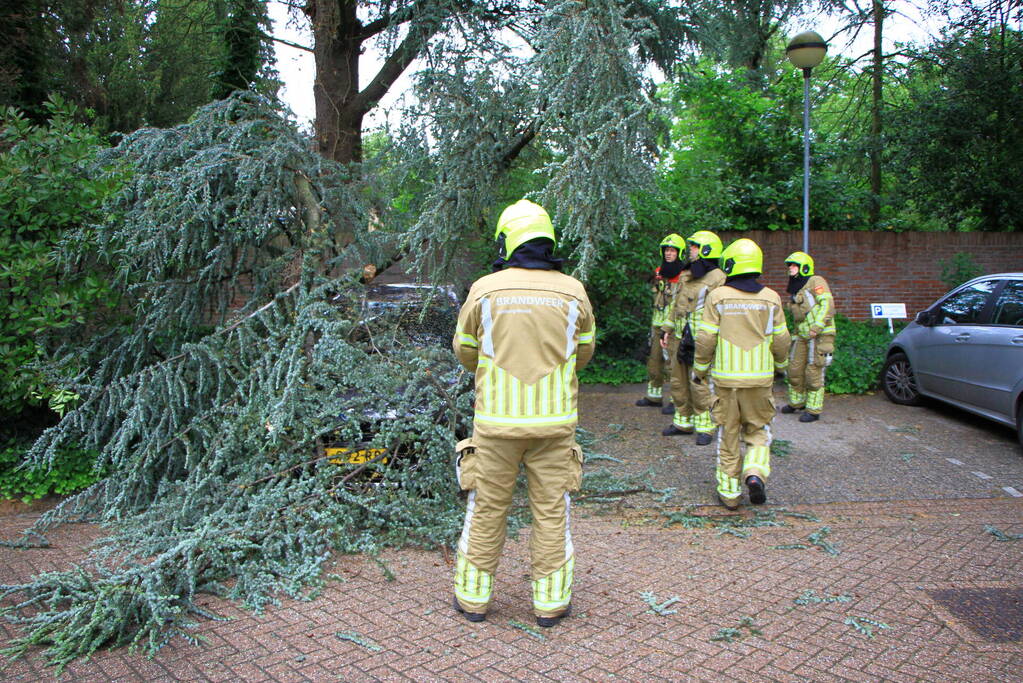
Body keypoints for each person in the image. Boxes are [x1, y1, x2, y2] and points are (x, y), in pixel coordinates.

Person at [451, 199, 595, 628]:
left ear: (507, 240)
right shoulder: (573, 290)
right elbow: (583, 352)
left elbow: (465, 351)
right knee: (551, 510)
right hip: (554, 424)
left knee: (487, 508)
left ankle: (473, 599)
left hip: (496, 423)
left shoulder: (484, 289)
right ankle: (550, 605)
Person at [693, 238, 790, 510]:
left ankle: (730, 494)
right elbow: (782, 339)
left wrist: (700, 369)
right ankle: (755, 473)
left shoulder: (718, 297)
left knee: (728, 435)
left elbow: (705, 338)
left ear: (731, 264)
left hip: (726, 382)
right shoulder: (771, 298)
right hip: (760, 382)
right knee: (759, 431)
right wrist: (781, 365)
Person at [660, 230, 725, 445]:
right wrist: (667, 329)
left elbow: (721, 312)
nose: (691, 251)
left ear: (706, 250)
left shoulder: (718, 278)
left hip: (701, 340)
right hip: (680, 336)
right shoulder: (687, 274)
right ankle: (682, 422)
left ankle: (706, 427)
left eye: (695, 247)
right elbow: (675, 304)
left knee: (699, 382)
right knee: (678, 381)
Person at [780, 251, 836, 422]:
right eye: (789, 265)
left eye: (794, 265)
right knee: (794, 369)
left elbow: (827, 303)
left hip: (819, 335)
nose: (790, 268)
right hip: (802, 335)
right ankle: (797, 403)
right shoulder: (796, 287)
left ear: (804, 267)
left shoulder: (815, 281)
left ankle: (813, 410)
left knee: (814, 372)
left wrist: (817, 326)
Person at [636, 234, 687, 408]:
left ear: (679, 253)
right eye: (666, 250)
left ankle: (676, 401)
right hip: (657, 325)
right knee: (654, 361)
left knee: (673, 365)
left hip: (672, 327)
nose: (668, 253)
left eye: (672, 250)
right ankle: (653, 396)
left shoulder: (684, 276)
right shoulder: (658, 273)